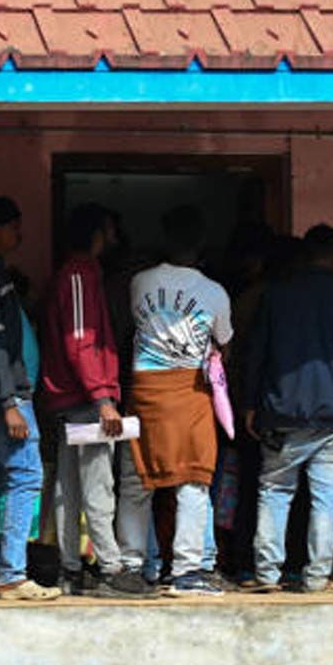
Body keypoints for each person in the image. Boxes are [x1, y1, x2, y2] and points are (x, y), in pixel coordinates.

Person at [244, 223, 333, 594]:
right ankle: (317, 577)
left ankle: (267, 574)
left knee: (275, 490)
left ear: (306, 254)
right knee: (326, 495)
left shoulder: (276, 296)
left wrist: (251, 404)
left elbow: (257, 354)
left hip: (282, 410)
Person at [116, 205, 233, 596]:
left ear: (164, 241)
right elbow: (223, 344)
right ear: (201, 245)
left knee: (137, 482)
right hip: (190, 394)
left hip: (145, 391)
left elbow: (128, 329)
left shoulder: (139, 283)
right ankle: (186, 571)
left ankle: (132, 565)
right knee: (194, 481)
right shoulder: (215, 292)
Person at [40, 203, 151, 597]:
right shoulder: (79, 275)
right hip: (83, 399)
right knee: (96, 484)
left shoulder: (79, 275)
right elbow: (81, 341)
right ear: (96, 235)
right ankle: (109, 566)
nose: (114, 239)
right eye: (109, 231)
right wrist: (102, 397)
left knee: (69, 486)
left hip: (72, 397)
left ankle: (71, 568)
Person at [0, 197, 60, 601]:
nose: (19, 235)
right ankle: (10, 573)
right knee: (26, 476)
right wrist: (8, 401)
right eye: (12, 226)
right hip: (3, 399)